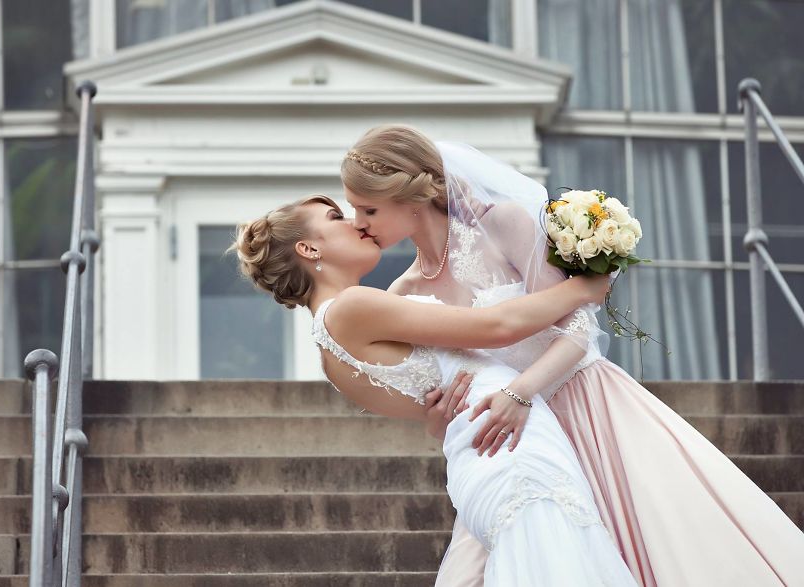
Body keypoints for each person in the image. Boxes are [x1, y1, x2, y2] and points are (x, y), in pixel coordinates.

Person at [340, 124, 804, 586]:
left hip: (585, 405)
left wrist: (519, 394)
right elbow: (435, 394)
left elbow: (578, 328)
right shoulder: (403, 293)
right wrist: (439, 417)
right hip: (509, 445)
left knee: (650, 545)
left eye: (369, 209)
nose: (359, 222)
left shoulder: (503, 224)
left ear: (412, 198)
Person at [230, 194, 635, 585]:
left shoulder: (329, 355)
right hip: (513, 440)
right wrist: (582, 288)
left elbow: (434, 413)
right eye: (336, 218)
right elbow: (496, 327)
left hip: (479, 448)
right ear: (308, 248)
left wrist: (439, 421)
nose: (356, 223)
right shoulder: (352, 306)